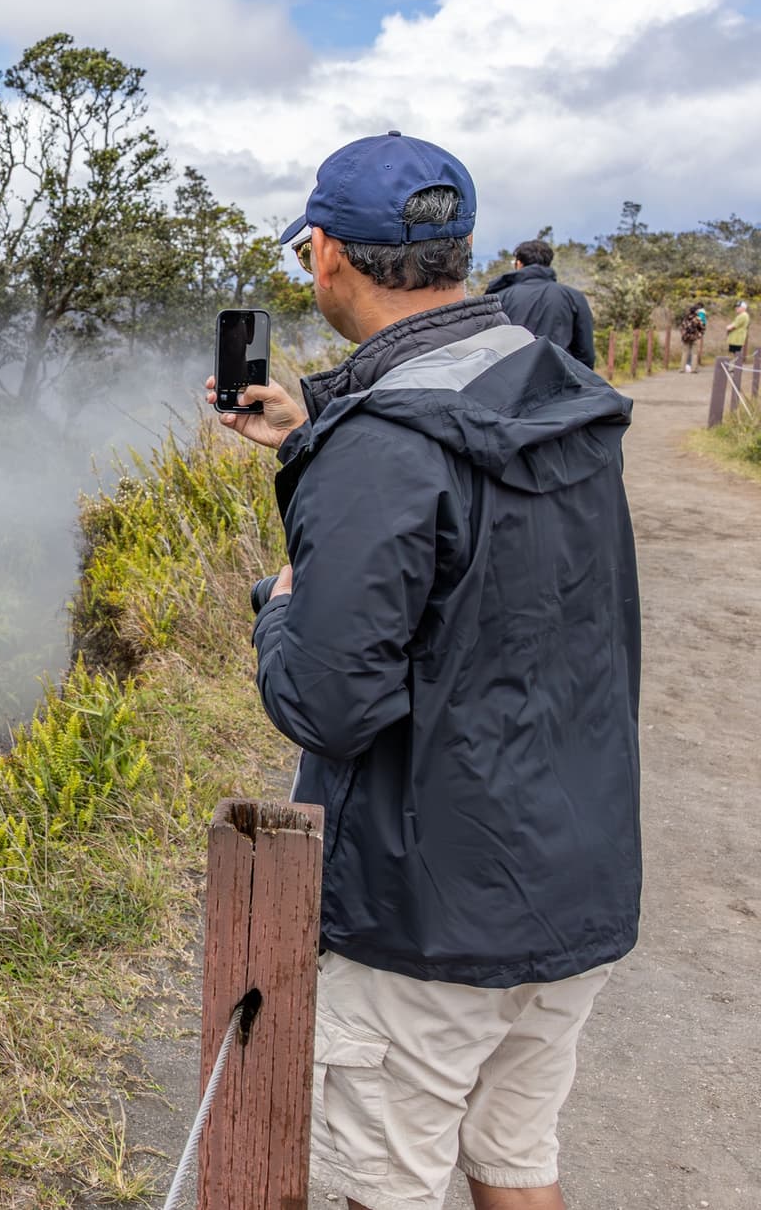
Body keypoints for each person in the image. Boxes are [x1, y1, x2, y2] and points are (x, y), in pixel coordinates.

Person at [205, 131, 641, 1210]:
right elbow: (477, 563)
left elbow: (323, 699)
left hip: (428, 908)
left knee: (379, 1186)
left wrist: (278, 606)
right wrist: (322, 428)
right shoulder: (555, 392)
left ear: (323, 255)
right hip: (569, 878)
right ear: (457, 250)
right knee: (514, 1162)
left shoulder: (383, 447)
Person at [482, 238, 596, 368]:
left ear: (519, 264)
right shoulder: (573, 297)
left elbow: (488, 347)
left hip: (511, 379)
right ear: (548, 263)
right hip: (560, 377)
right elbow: (585, 353)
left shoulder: (498, 298)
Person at [680, 305, 706, 373]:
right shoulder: (697, 318)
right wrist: (700, 334)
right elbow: (702, 327)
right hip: (694, 337)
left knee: (685, 352)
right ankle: (693, 369)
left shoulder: (685, 318)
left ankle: (682, 369)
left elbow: (682, 327)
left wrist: (683, 334)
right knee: (694, 353)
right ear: (696, 311)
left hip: (686, 337)